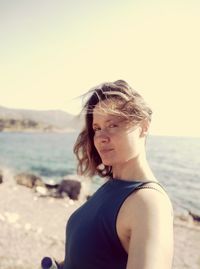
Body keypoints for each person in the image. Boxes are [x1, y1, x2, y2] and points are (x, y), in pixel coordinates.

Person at [57, 80, 174, 269]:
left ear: (143, 126)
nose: (102, 137)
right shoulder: (114, 186)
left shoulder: (149, 204)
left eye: (112, 125)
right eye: (97, 128)